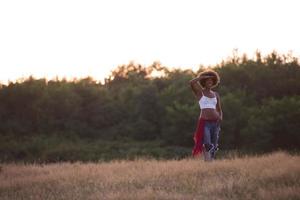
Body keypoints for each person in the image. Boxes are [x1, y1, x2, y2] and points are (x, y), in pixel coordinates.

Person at [189, 69, 222, 161]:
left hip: (215, 122)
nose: (210, 82)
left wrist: (221, 117)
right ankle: (208, 160)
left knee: (214, 144)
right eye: (207, 80)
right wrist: (202, 77)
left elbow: (219, 109)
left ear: (214, 81)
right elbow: (191, 83)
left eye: (211, 80)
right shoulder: (200, 93)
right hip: (205, 122)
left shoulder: (216, 94)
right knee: (207, 142)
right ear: (204, 82)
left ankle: (210, 160)